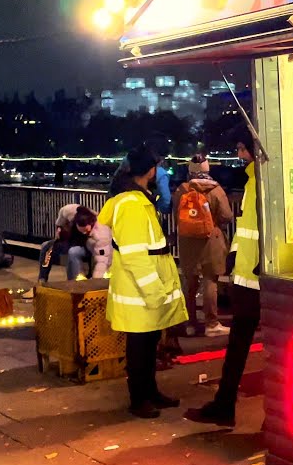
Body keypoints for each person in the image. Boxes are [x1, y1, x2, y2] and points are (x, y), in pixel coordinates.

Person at [99, 145, 189, 418]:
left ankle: (149, 393)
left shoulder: (135, 200)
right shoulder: (132, 204)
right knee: (140, 347)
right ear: (150, 171)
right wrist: (154, 290)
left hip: (141, 291)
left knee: (148, 345)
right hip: (140, 292)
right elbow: (135, 255)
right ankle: (139, 399)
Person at [186, 131, 261, 428]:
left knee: (241, 343)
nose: (240, 155)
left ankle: (225, 404)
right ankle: (231, 405)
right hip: (256, 273)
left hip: (253, 276)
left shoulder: (257, 181)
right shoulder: (255, 178)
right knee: (262, 345)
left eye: (242, 148)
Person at [172, 154, 234, 337]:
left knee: (190, 281)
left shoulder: (182, 190)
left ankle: (190, 324)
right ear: (207, 169)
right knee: (210, 280)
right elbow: (227, 216)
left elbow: (176, 213)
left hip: (187, 241)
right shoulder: (215, 190)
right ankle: (211, 324)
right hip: (210, 239)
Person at [35, 205, 112, 284]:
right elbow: (61, 219)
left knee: (73, 252)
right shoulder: (70, 211)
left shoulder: (101, 235)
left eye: (86, 231)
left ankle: (75, 282)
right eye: (81, 230)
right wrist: (59, 228)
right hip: (75, 240)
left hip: (90, 248)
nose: (84, 233)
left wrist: (95, 282)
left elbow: (101, 261)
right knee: (47, 246)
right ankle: (42, 280)